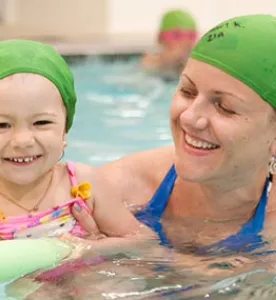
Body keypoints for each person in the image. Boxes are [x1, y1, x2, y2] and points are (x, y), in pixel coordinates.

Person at [71, 14, 276, 257]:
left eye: (225, 107)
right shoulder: (116, 190)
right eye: (187, 92)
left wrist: (156, 256)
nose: (189, 117)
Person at [0, 39, 96, 241]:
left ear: (64, 131)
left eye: (41, 122)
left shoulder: (84, 185)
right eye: (1, 125)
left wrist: (91, 249)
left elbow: (141, 244)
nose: (22, 141)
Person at [141, 9, 198, 78]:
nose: (184, 42)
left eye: (191, 36)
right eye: (176, 35)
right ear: (160, 38)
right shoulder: (148, 64)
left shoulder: (195, 68)